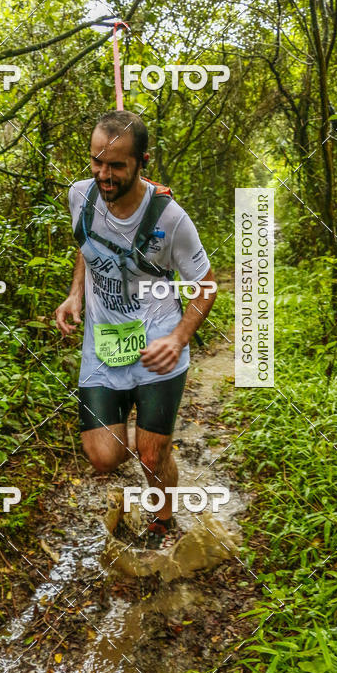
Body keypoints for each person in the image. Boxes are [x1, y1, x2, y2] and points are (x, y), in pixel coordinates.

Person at [55, 111, 217, 548]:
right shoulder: (80, 196)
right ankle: (144, 435)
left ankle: (162, 515)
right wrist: (76, 295)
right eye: (96, 162)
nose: (103, 175)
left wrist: (179, 337)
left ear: (141, 162)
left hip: (159, 344)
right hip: (103, 346)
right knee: (104, 456)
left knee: (149, 453)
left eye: (116, 166)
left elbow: (206, 287)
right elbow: (85, 247)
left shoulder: (172, 220)